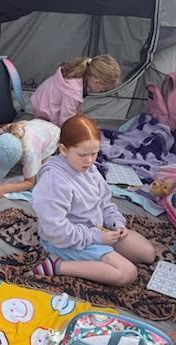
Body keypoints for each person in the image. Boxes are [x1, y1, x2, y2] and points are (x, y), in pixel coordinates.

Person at [31, 115, 155, 285]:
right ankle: (57, 266)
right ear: (63, 150)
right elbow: (57, 231)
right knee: (127, 273)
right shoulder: (54, 181)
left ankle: (101, 250)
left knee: (148, 254)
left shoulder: (90, 169)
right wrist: (97, 238)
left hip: (96, 230)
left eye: (94, 153)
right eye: (82, 155)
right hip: (65, 241)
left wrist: (116, 223)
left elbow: (104, 202)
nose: (89, 160)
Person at [0, 119, 60, 198]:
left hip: (54, 137)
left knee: (42, 173)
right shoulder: (3, 133)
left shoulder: (30, 153)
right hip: (39, 125)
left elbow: (30, 182)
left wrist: (4, 188)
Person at [31, 54, 121, 126]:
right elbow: (66, 122)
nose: (103, 91)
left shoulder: (80, 74)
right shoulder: (72, 91)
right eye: (104, 88)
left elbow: (73, 110)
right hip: (44, 117)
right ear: (96, 82)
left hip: (41, 106)